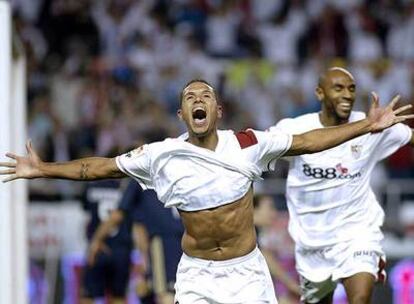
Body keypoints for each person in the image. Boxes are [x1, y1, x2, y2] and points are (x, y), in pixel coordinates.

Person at [1, 79, 413, 303]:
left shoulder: (250, 143)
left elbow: (309, 141)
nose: (198, 99)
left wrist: (367, 126)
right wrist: (42, 169)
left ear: (218, 111)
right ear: (183, 114)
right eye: (189, 97)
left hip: (247, 273)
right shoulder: (161, 155)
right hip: (197, 274)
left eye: (206, 95)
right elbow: (99, 168)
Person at [268, 67, 414, 304]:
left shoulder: (374, 124)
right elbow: (258, 150)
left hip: (357, 232)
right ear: (319, 93)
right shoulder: (293, 128)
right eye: (338, 88)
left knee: (361, 297)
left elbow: (410, 137)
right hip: (312, 241)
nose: (347, 94)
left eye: (351, 88)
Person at [88, 179, 183, 304]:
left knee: (166, 294)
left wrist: (96, 240)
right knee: (150, 289)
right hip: (187, 237)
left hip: (163, 240)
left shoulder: (139, 175)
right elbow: (139, 225)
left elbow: (118, 215)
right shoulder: (173, 170)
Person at [80, 177, 131, 304]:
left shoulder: (92, 186)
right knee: (118, 296)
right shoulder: (127, 188)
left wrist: (94, 240)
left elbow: (86, 211)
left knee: (88, 295)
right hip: (121, 248)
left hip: (97, 248)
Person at [253, 194, 301, 303]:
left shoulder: (255, 234)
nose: (274, 214)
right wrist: (293, 286)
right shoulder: (248, 237)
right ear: (253, 210)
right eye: (270, 208)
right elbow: (268, 260)